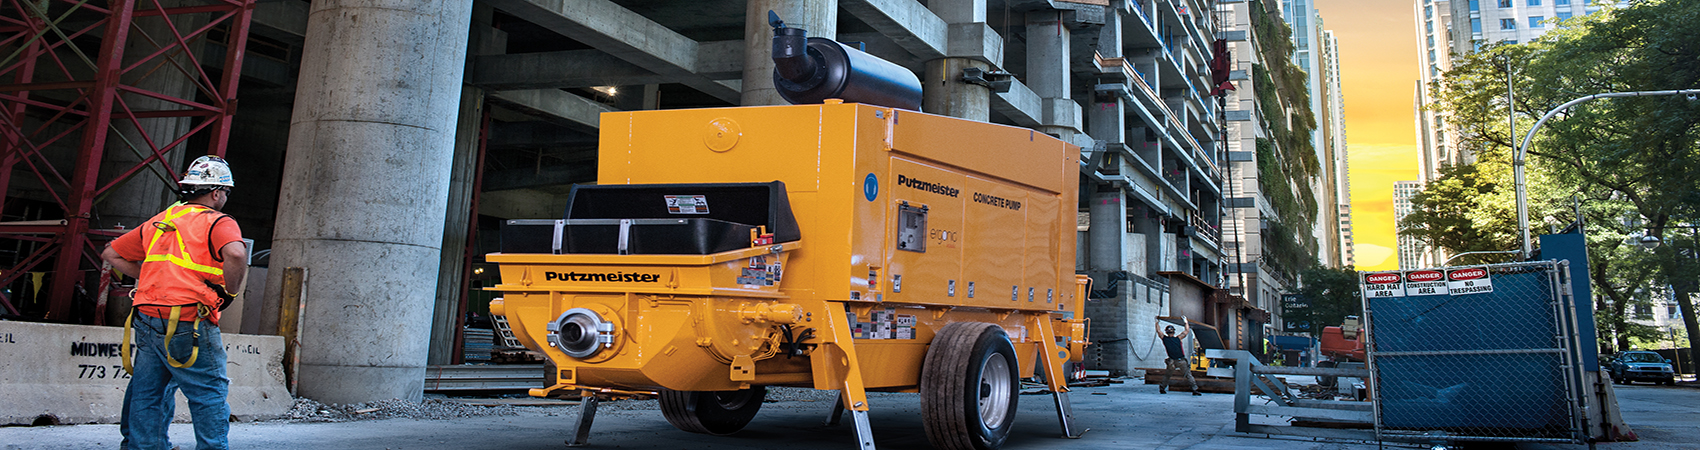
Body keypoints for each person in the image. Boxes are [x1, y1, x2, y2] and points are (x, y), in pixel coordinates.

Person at [102, 156, 246, 450]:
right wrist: (229, 292)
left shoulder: (160, 221)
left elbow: (111, 254)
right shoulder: (218, 221)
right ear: (216, 192)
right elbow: (236, 255)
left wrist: (158, 276)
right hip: (188, 319)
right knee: (209, 393)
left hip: (147, 316)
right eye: (225, 192)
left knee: (148, 392)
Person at [1156, 316, 1200, 395]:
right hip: (1181, 361)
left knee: (1167, 375)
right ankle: (1194, 390)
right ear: (1174, 332)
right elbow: (1186, 331)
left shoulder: (1164, 339)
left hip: (1171, 362)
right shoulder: (1178, 338)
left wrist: (1157, 322)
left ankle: (1162, 388)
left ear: (1166, 332)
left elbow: (1158, 331)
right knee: (1188, 375)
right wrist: (1186, 322)